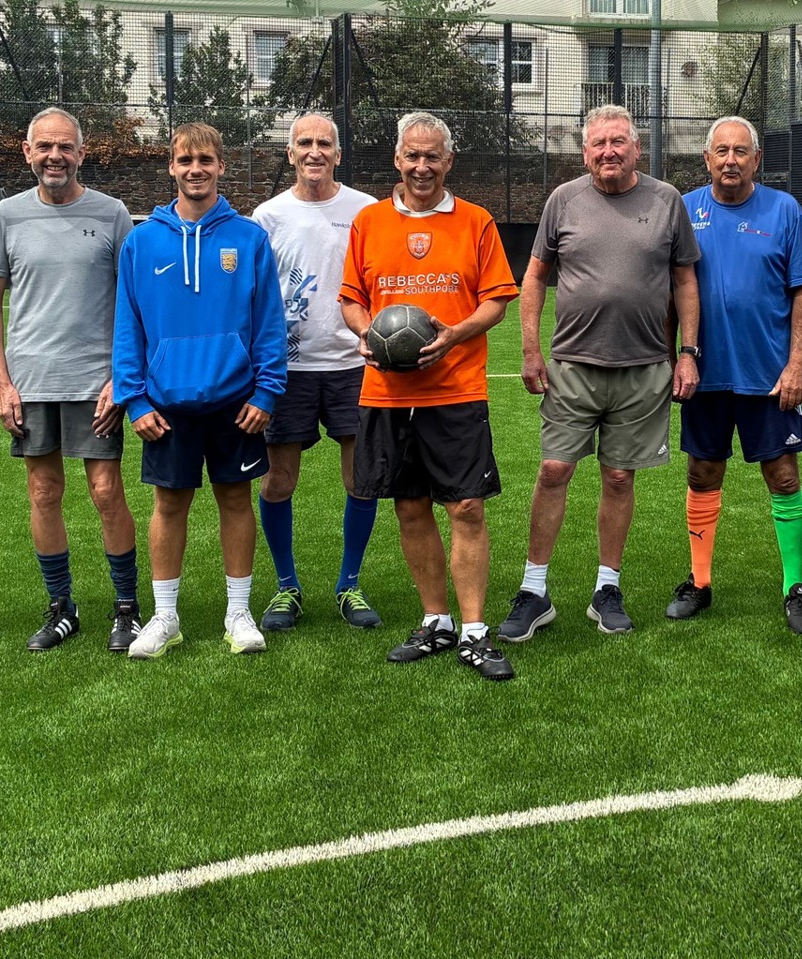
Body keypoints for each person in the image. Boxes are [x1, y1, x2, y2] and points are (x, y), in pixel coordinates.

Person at [500, 104, 701, 641]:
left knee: (618, 477)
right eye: (598, 144)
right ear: (584, 152)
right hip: (572, 366)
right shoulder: (563, 200)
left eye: (618, 142)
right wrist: (530, 349)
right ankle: (534, 590)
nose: (608, 152)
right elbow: (536, 276)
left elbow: (684, 281)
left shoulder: (667, 201)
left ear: (636, 148)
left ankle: (606, 589)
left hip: (642, 370)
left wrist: (688, 352)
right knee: (553, 471)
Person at [339, 112, 519, 682]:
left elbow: (496, 301)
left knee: (465, 506)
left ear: (448, 162)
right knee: (410, 505)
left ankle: (473, 631)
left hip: (456, 389)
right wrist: (367, 333)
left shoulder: (476, 222)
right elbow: (349, 299)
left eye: (433, 156)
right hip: (387, 394)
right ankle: (435, 620)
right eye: (412, 156)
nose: (422, 166)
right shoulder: (368, 222)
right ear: (397, 160)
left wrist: (452, 338)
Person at [112, 122, 287, 659]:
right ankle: (165, 616)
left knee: (236, 500)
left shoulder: (249, 237)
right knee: (169, 504)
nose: (196, 169)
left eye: (206, 160)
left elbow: (269, 324)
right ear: (170, 166)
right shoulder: (141, 241)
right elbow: (127, 326)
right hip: (165, 404)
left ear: (221, 166)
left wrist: (266, 392)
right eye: (186, 160)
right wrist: (135, 399)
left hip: (236, 401)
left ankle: (239, 613)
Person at [0, 107, 139, 652]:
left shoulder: (114, 213)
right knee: (44, 491)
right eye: (44, 146)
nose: (55, 156)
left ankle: (126, 608)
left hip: (95, 381)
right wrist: (3, 382)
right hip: (32, 381)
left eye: (65, 147)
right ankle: (60, 606)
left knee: (105, 492)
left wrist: (121, 377)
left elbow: (134, 303)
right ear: (26, 152)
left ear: (81, 153)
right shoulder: (7, 215)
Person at [667, 116, 802, 633]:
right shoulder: (685, 210)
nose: (730, 160)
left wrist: (797, 362)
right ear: (707, 159)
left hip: (769, 375)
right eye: (721, 151)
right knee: (702, 472)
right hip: (704, 374)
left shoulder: (785, 209)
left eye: (741, 151)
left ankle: (794, 587)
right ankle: (700, 581)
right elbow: (671, 289)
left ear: (757, 159)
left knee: (782, 475)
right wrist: (676, 356)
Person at [252, 114, 378, 633]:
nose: (314, 151)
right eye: (304, 143)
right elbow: (255, 297)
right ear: (289, 153)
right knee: (279, 481)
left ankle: (349, 584)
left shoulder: (366, 211)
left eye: (324, 143)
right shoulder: (267, 216)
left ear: (338, 154)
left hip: (354, 364)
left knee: (361, 481)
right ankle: (287, 587)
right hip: (289, 369)